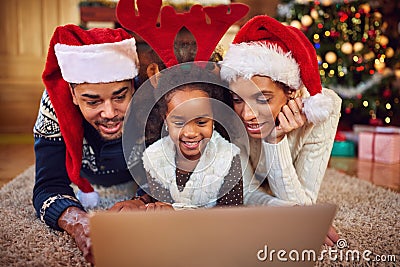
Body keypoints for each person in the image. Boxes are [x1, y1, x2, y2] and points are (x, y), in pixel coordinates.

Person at [219, 15, 342, 246]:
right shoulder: (227, 112)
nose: (246, 114)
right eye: (238, 99)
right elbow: (244, 192)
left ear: (292, 92)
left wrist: (274, 140)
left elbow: (306, 198)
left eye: (263, 99)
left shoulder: (323, 110)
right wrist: (296, 214)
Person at [33, 24, 148, 263]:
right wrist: (79, 223)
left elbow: (173, 176)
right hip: (88, 177)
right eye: (93, 101)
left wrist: (143, 201)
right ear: (73, 95)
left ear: (134, 86)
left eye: (120, 96)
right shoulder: (54, 104)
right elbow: (48, 185)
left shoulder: (152, 95)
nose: (109, 113)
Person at [140, 65, 243, 209]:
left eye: (201, 122)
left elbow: (232, 215)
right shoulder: (155, 157)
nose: (190, 132)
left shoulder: (228, 157)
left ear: (214, 118)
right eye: (179, 122)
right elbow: (161, 209)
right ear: (165, 119)